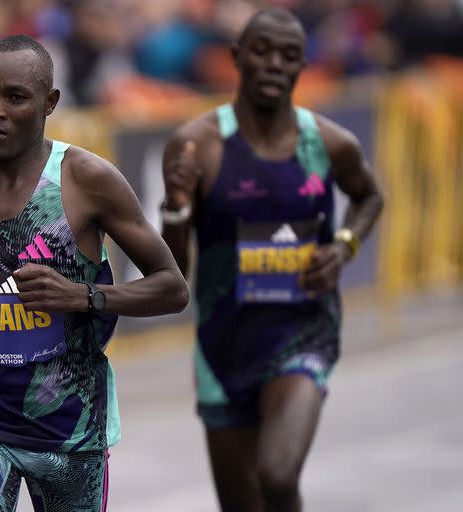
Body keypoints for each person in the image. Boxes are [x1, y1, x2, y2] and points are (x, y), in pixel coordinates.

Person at [0, 35, 189, 512]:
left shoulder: (86, 180)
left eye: (15, 97)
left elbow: (172, 288)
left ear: (50, 102)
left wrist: (83, 296)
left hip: (69, 429)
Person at [160, 8, 383, 512]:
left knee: (278, 477)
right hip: (224, 343)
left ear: (303, 66)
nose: (274, 65)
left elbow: (370, 197)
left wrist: (344, 244)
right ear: (237, 57)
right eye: (261, 51)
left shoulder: (327, 143)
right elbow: (173, 272)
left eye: (288, 56)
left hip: (303, 330)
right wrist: (176, 208)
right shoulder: (199, 145)